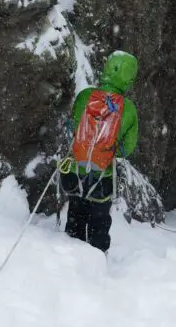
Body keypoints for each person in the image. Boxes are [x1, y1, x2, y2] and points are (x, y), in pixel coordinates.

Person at [58, 51, 139, 252]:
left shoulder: (85, 96)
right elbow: (126, 149)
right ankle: (97, 261)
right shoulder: (128, 109)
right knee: (99, 225)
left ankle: (70, 259)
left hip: (76, 173)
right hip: (102, 178)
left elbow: (73, 128)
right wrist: (109, 150)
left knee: (76, 216)